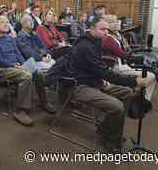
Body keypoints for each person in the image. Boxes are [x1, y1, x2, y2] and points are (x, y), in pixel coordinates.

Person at [45, 18, 134, 151]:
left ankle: (106, 128)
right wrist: (134, 81)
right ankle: (111, 140)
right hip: (78, 86)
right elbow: (101, 70)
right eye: (102, 29)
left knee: (127, 93)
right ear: (92, 29)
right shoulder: (85, 46)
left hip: (91, 81)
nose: (106, 32)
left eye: (107, 30)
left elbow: (95, 68)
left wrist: (99, 77)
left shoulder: (96, 41)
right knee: (117, 106)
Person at [0, 16, 56, 126]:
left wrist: (25, 64)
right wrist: (14, 65)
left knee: (37, 72)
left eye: (7, 22)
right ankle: (21, 111)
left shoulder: (10, 38)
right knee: (27, 76)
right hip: (2, 69)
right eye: (2, 22)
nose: (6, 24)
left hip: (17, 67)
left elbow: (18, 54)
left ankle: (44, 102)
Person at [102, 14, 157, 101]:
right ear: (105, 24)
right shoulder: (108, 38)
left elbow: (126, 50)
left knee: (151, 69)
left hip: (125, 63)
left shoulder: (117, 35)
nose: (116, 23)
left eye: (116, 21)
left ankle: (141, 98)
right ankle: (142, 99)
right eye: (112, 22)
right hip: (117, 66)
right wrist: (138, 58)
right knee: (151, 76)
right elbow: (122, 54)